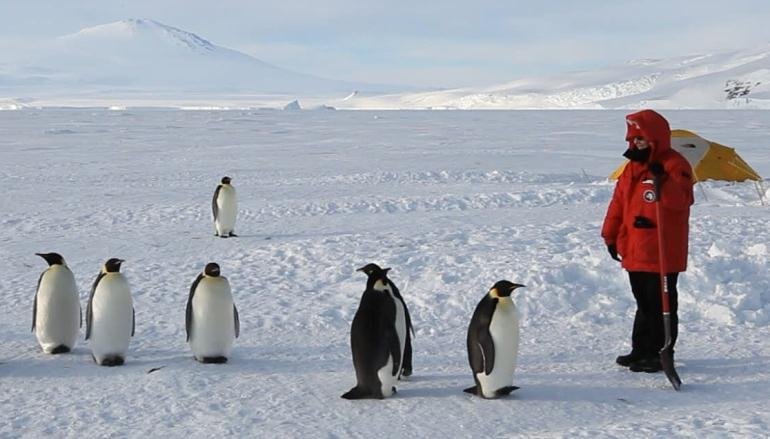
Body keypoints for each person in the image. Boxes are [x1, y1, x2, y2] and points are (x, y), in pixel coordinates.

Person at [601, 109, 694, 373]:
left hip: (662, 250)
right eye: (633, 139)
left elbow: (681, 202)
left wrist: (662, 180)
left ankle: (661, 350)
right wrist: (610, 235)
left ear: (656, 138)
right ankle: (641, 349)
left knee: (661, 303)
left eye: (641, 139)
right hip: (635, 248)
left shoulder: (675, 165)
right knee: (643, 302)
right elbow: (618, 204)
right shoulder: (632, 167)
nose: (636, 144)